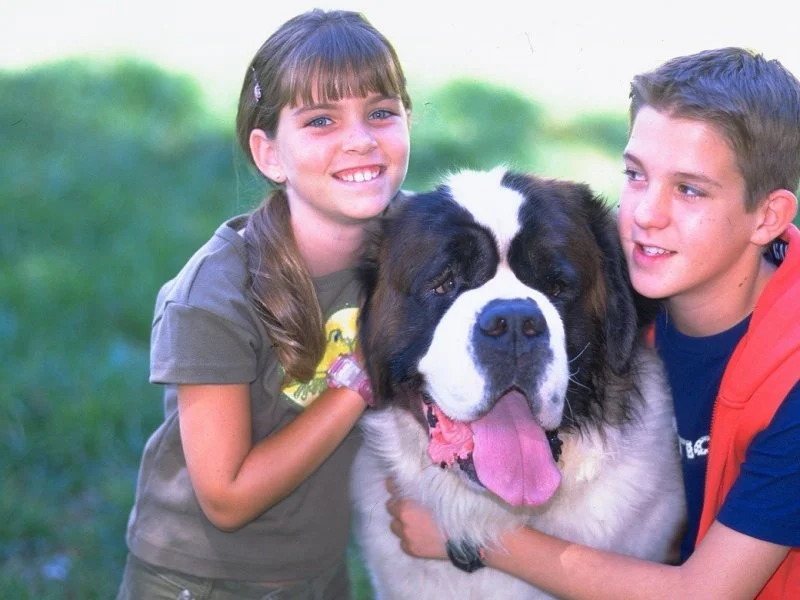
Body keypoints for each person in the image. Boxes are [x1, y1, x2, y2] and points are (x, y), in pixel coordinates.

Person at [386, 46, 800, 599]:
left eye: (689, 189)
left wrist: (471, 541)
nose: (646, 214)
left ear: (768, 217)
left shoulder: (791, 377)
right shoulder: (631, 286)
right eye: (636, 175)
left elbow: (705, 594)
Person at [117, 9, 411, 599]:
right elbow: (226, 496)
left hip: (320, 570)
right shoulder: (215, 295)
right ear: (269, 153)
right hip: (200, 579)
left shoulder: (420, 243)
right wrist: (359, 380)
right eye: (321, 120)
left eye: (381, 112)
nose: (360, 139)